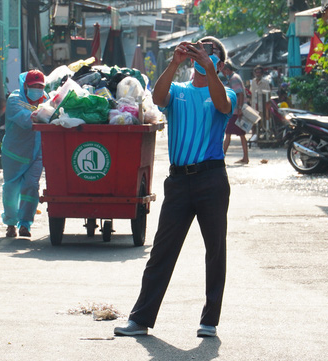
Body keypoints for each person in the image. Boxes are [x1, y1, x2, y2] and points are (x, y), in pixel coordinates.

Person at [114, 36, 237, 338]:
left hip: (211, 178)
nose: (202, 56)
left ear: (219, 62)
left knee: (215, 250)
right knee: (162, 251)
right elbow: (157, 98)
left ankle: (209, 320)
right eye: (198, 50)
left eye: (209, 53)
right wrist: (173, 63)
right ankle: (140, 319)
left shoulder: (226, 92)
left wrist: (211, 70)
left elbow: (222, 105)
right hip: (179, 181)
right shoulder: (179, 91)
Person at [1, 70, 49, 238]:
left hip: (36, 154)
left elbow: (51, 114)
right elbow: (27, 119)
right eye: (33, 86)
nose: (37, 90)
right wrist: (44, 113)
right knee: (11, 189)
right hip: (14, 154)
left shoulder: (46, 99)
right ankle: (10, 223)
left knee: (31, 186)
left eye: (40, 86)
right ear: (25, 86)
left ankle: (25, 224)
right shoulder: (15, 100)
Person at [222, 60, 248, 164]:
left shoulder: (234, 78)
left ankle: (221, 157)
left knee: (228, 133)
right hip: (236, 110)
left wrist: (240, 108)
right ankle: (245, 157)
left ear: (227, 70)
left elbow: (240, 94)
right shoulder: (234, 78)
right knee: (241, 134)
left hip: (236, 111)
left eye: (224, 71)